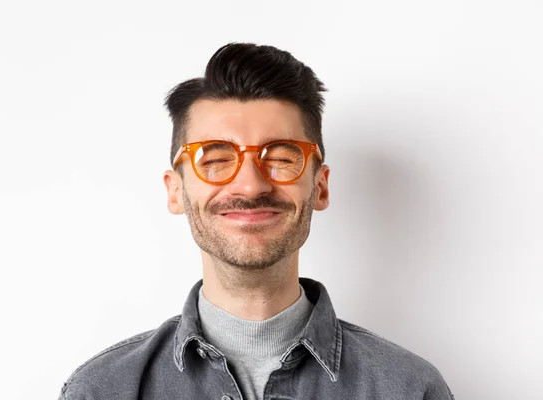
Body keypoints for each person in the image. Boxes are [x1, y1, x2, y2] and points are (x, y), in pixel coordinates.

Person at [58, 42, 454, 400]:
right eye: (214, 160)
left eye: (281, 157)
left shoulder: (409, 390)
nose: (249, 186)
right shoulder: (102, 391)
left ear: (320, 187)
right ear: (175, 191)